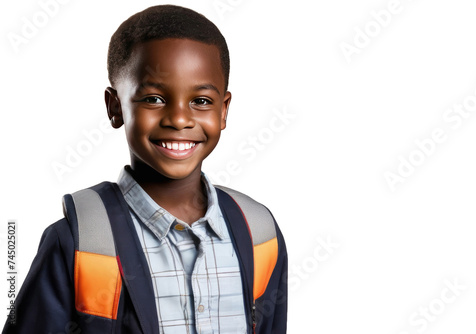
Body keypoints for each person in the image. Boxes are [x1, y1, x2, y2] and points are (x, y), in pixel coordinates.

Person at [2, 4, 287, 334]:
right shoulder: (81, 241)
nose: (179, 119)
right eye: (153, 99)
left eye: (202, 101)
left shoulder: (259, 233)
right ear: (115, 107)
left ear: (223, 110)